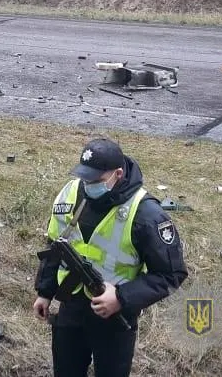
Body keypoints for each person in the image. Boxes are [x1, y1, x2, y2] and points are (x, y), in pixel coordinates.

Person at [32, 138, 188, 377]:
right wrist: (45, 291)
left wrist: (122, 298)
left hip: (115, 317)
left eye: (96, 180)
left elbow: (171, 274)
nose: (88, 185)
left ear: (117, 174)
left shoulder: (146, 214)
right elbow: (56, 244)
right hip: (71, 307)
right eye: (85, 178)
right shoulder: (71, 192)